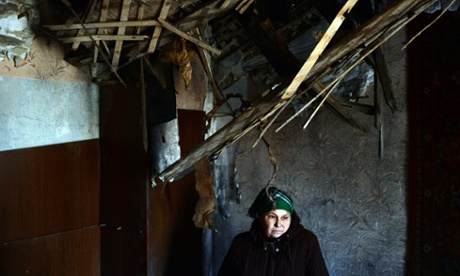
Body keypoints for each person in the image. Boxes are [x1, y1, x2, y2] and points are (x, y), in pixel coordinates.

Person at [218, 186, 329, 276]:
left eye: (285, 217)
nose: (278, 223)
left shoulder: (307, 242)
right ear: (261, 217)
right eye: (272, 216)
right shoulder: (241, 243)